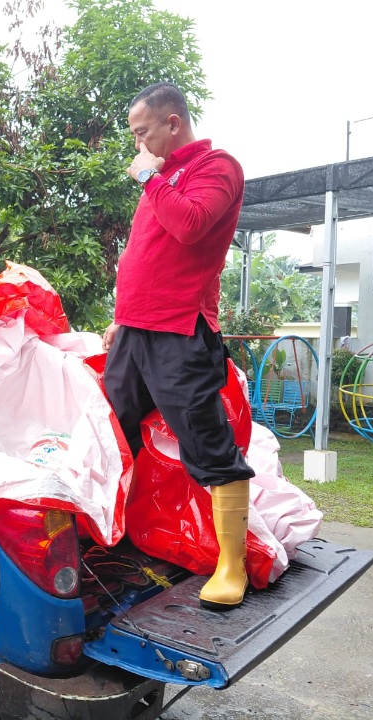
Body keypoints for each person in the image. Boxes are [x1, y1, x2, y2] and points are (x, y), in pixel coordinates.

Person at [101, 81, 256, 610]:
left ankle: (231, 564)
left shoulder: (218, 168)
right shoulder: (162, 179)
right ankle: (122, 533)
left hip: (178, 332)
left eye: (143, 133)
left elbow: (191, 228)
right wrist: (121, 319)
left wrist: (149, 176)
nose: (138, 146)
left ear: (173, 122)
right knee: (117, 430)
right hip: (136, 330)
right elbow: (151, 256)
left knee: (205, 439)